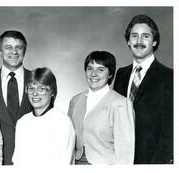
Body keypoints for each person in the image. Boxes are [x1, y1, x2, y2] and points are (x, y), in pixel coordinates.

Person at [113, 14, 173, 164]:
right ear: (128, 41)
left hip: (152, 161)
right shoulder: (121, 74)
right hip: (121, 160)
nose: (139, 41)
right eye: (134, 36)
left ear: (154, 41)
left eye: (145, 36)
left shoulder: (169, 77)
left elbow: (170, 131)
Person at [68, 51, 135, 164]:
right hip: (76, 163)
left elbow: (125, 152)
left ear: (110, 74)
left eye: (100, 69)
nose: (93, 74)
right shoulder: (76, 100)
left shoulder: (121, 104)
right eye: (90, 68)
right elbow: (68, 138)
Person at [0, 30, 32, 165]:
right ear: (0, 51)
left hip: (32, 158)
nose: (14, 52)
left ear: (24, 51)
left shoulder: (37, 81)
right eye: (8, 47)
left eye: (18, 47)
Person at [12, 67, 75, 165]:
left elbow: (63, 163)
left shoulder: (62, 122)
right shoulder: (22, 122)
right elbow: (18, 161)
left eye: (42, 89)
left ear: (52, 92)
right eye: (31, 88)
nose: (35, 93)